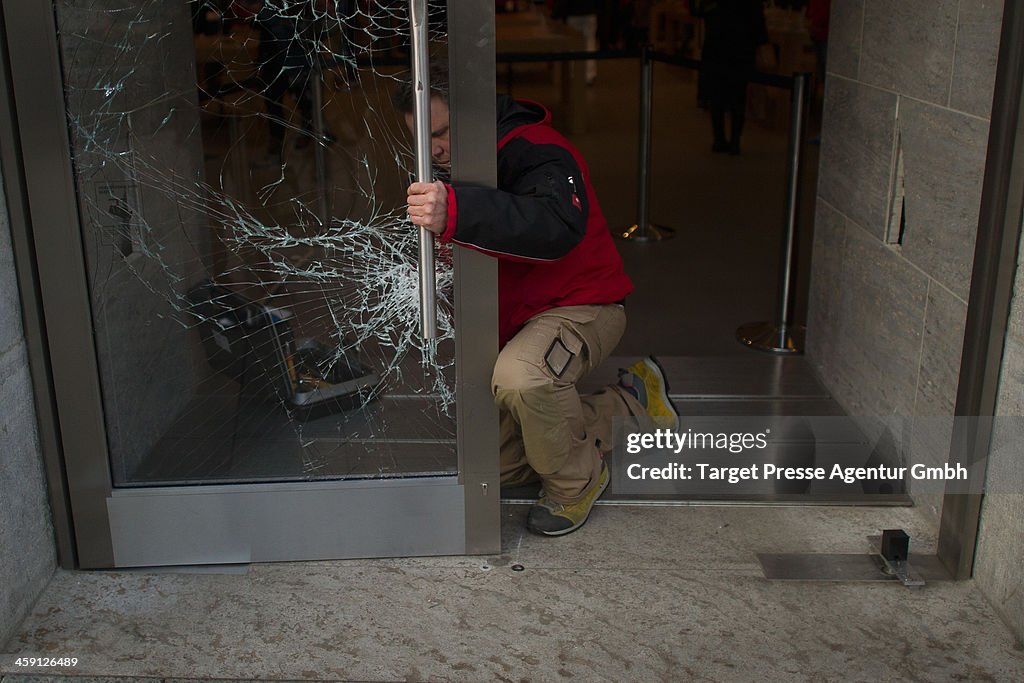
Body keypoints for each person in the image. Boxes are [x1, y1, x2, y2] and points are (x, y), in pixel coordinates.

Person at [393, 62, 678, 536]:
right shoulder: (457, 167)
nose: (435, 148)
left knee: (523, 380)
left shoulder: (538, 149)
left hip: (583, 305)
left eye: (443, 132)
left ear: (478, 116)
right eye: (423, 138)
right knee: (499, 466)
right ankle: (627, 405)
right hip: (521, 322)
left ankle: (577, 485)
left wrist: (456, 211)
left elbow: (555, 224)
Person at [693, 0, 767, 155]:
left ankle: (719, 139)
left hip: (717, 47)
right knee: (737, 98)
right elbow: (758, 25)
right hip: (740, 49)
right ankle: (734, 141)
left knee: (717, 97)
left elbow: (699, 10)